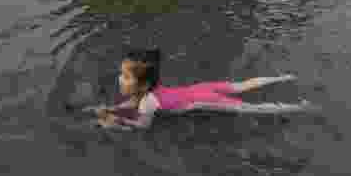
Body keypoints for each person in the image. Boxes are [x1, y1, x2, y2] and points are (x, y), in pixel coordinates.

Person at [89, 49, 310, 130]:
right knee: (241, 85)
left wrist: (117, 122)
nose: (120, 78)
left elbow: (142, 125)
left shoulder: (147, 103)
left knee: (253, 109)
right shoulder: (149, 93)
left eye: (125, 76)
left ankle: (299, 108)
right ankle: (282, 78)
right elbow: (132, 103)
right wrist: (112, 108)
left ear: (143, 85)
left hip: (205, 99)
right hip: (200, 88)